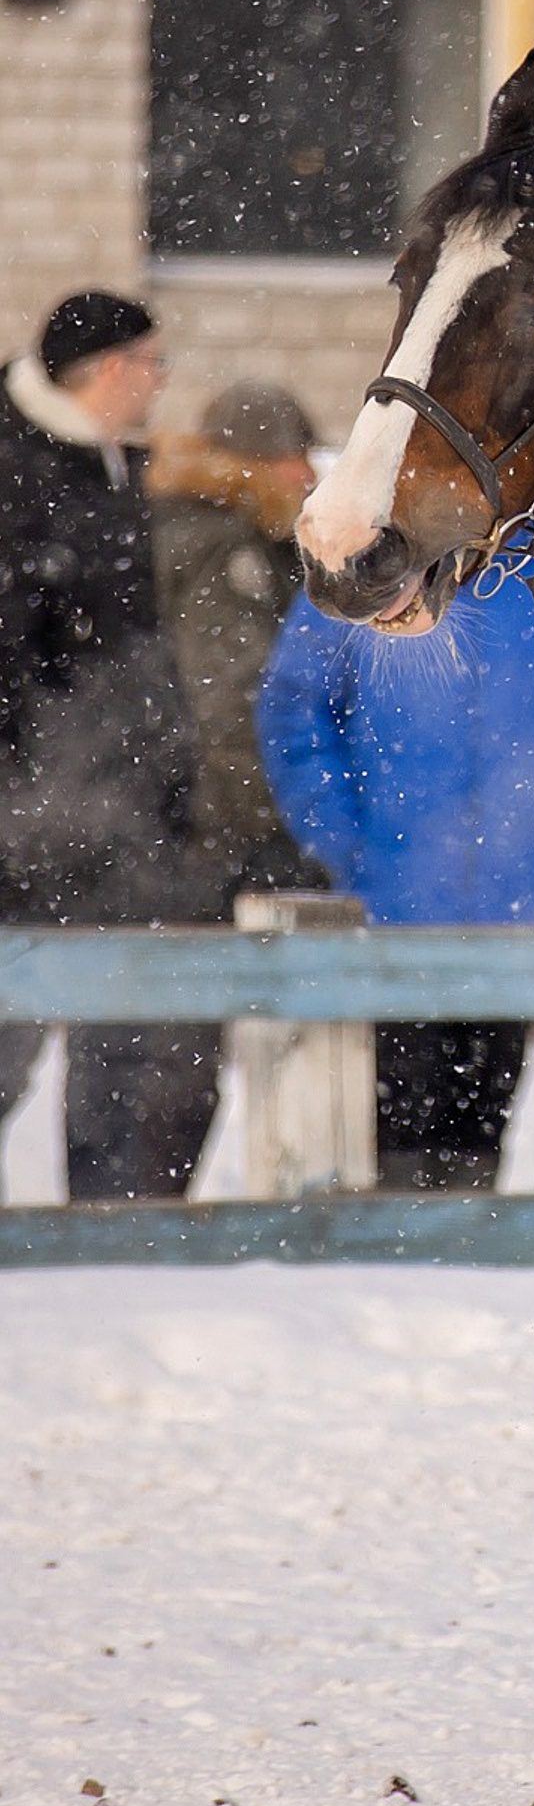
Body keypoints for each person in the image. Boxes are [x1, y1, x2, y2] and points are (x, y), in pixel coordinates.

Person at [0, 290, 223, 1198]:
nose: (163, 380)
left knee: (146, 1060)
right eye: (153, 361)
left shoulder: (108, 467)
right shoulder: (18, 475)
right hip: (32, 828)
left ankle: (122, 1248)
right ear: (105, 372)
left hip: (122, 824)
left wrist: (163, 789)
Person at [258, 565, 534, 1191]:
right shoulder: (371, 563)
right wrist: (346, 840)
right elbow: (293, 709)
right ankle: (399, 1268)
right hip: (395, 914)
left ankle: (458, 1267)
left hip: (519, 920)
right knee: (399, 1131)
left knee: (483, 1135)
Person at [151, 381, 326, 903]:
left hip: (217, 815)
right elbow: (233, 692)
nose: (311, 475)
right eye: (297, 458)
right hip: (237, 825)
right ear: (254, 463)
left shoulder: (214, 529)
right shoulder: (223, 545)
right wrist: (282, 820)